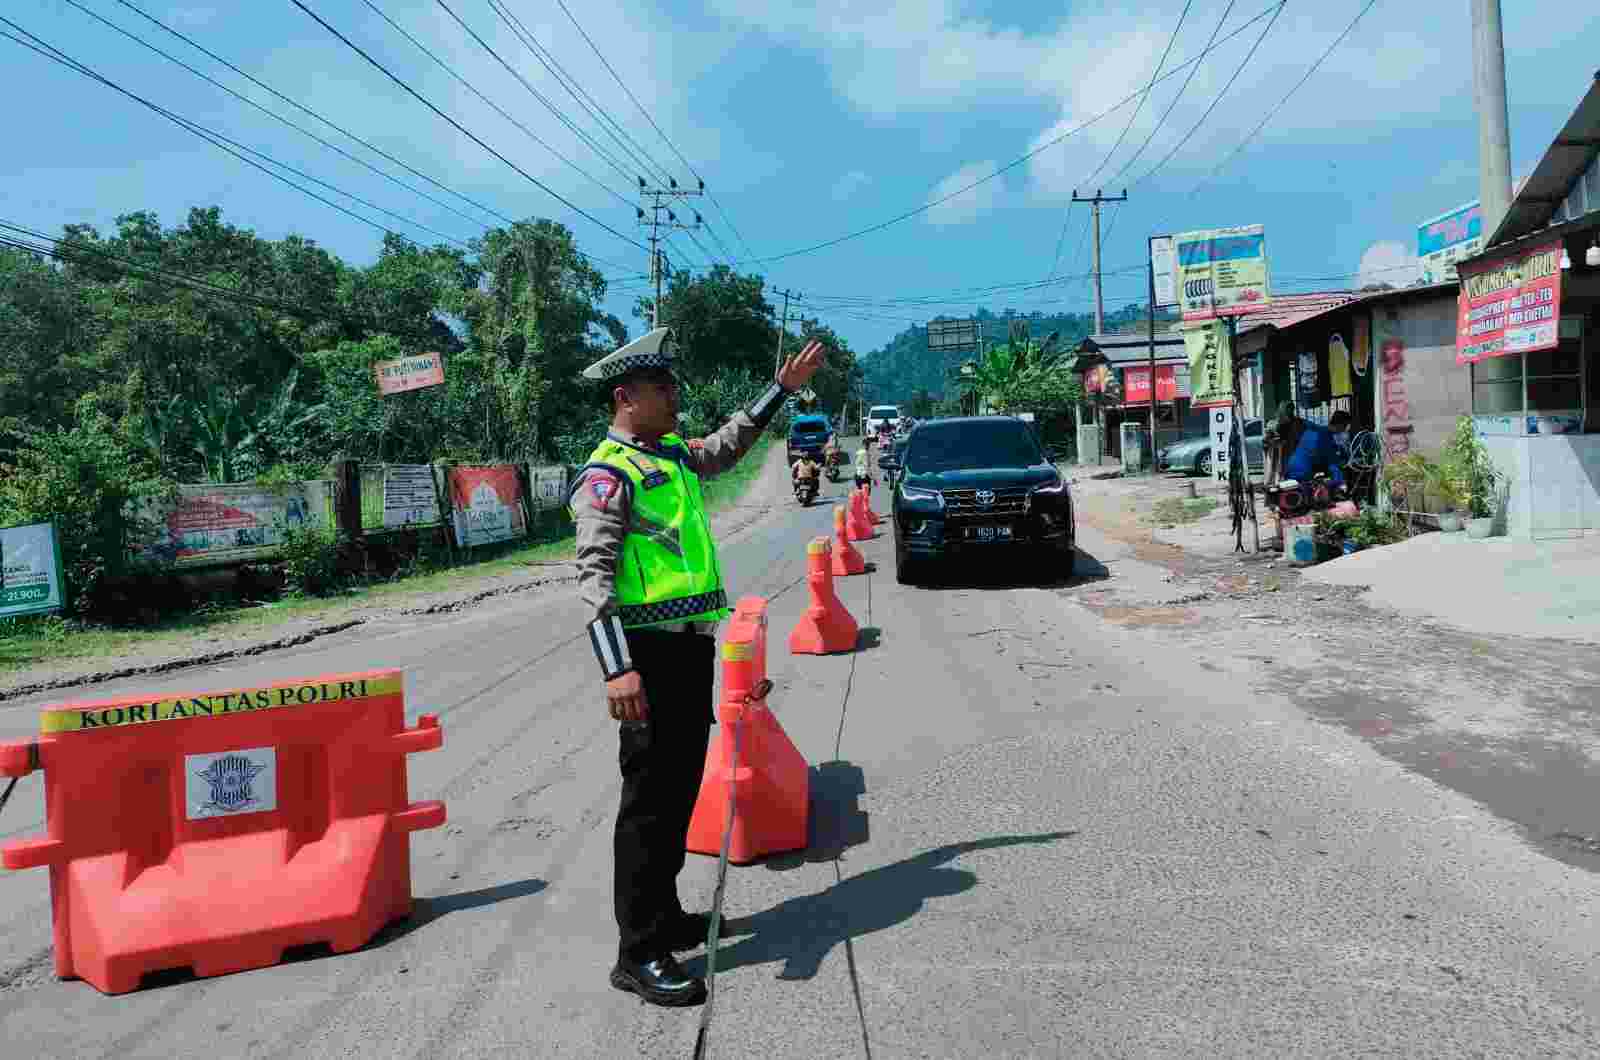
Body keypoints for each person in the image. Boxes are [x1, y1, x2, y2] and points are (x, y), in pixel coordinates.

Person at [568, 327, 824, 1008]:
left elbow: (730, 444)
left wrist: (781, 392)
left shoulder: (672, 453)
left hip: (688, 648)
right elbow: (592, 577)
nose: (675, 396)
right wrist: (617, 670)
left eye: (673, 386)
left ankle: (669, 916)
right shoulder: (607, 474)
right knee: (648, 805)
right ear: (626, 397)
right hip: (645, 656)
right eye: (663, 388)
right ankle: (637, 951)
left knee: (679, 788)